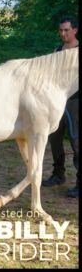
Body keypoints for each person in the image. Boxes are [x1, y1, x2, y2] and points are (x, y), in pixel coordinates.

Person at [42, 17, 79, 198]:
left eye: (66, 30)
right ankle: (58, 175)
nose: (63, 34)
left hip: (75, 102)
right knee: (54, 138)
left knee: (76, 140)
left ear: (75, 30)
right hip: (57, 101)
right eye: (61, 31)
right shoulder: (57, 51)